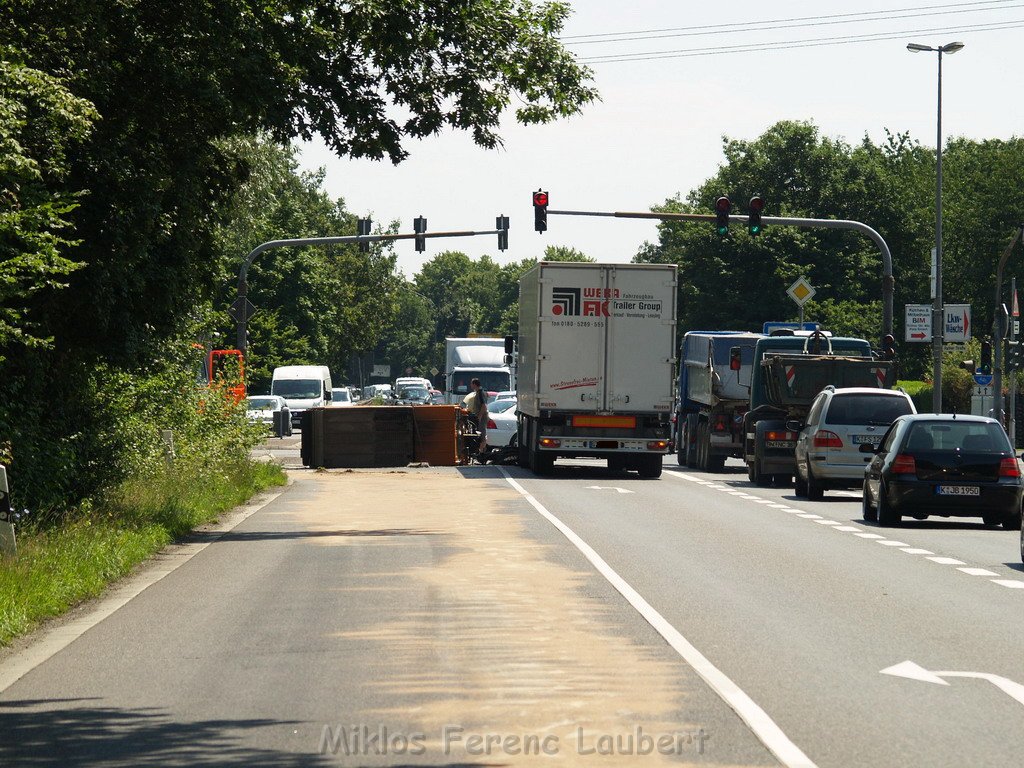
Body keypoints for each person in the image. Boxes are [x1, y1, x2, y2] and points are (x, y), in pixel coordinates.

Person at [463, 377, 488, 459]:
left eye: (471, 383)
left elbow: (484, 406)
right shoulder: (478, 392)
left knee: (482, 434)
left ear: (474, 384)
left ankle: (482, 453)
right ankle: (480, 452)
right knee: (479, 434)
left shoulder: (480, 393)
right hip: (479, 416)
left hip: (482, 417)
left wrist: (480, 416)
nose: (470, 385)